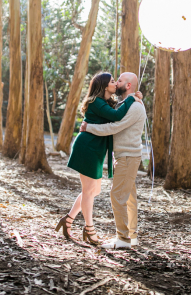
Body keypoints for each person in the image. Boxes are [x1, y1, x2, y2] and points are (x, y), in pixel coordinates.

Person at [55, 72, 142, 245]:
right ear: (103, 86)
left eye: (117, 81)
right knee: (89, 191)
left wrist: (133, 98)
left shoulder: (106, 103)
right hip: (87, 147)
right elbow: (117, 118)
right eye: (112, 81)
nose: (116, 84)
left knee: (93, 191)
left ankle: (69, 219)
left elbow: (117, 113)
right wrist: (132, 98)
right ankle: (89, 229)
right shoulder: (96, 102)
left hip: (96, 149)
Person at [80, 72, 147, 249]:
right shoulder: (126, 103)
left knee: (117, 196)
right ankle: (131, 236)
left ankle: (123, 239)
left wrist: (89, 127)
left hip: (128, 157)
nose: (116, 83)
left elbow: (115, 126)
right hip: (125, 156)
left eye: (119, 81)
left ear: (128, 86)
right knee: (129, 198)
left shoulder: (135, 106)